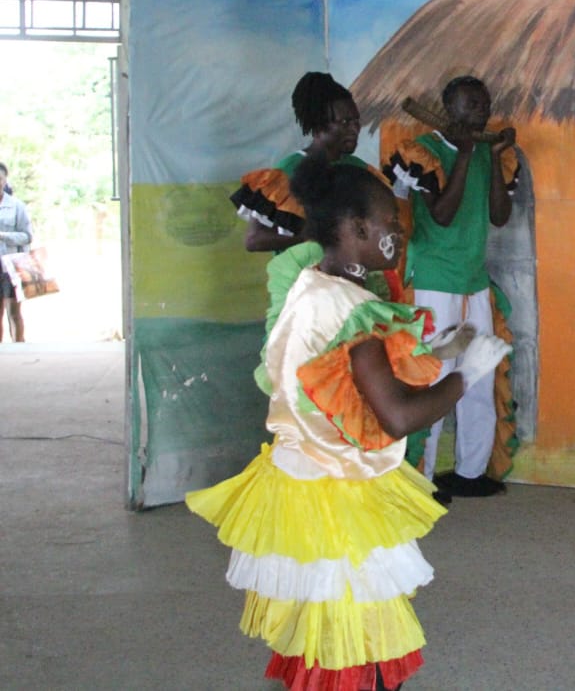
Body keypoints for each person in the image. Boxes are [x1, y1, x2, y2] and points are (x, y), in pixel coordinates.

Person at [186, 155, 512, 691]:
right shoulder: (352, 307)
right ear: (357, 228)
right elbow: (398, 415)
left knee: (326, 641)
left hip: (299, 481)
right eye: (390, 224)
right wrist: (467, 375)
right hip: (334, 497)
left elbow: (334, 374)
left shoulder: (311, 282)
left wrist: (432, 348)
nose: (400, 233)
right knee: (360, 654)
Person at [384, 75, 519, 497]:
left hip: (474, 283)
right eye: (469, 104)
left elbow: (499, 216)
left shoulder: (487, 151)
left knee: (478, 376)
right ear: (448, 109)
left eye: (484, 102)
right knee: (433, 376)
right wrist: (463, 156)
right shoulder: (423, 153)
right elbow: (441, 214)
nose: (480, 109)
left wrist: (492, 158)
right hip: (433, 284)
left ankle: (471, 472)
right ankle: (418, 480)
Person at [231, 72, 371, 254]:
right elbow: (254, 240)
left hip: (346, 278)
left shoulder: (358, 168)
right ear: (319, 124)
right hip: (303, 280)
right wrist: (318, 235)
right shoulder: (288, 171)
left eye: (356, 120)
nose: (355, 128)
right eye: (345, 122)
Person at [0, 162, 33, 343]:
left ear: (5, 181)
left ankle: (18, 349)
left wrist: (3, 236)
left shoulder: (16, 206)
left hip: (9, 267)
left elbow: (27, 236)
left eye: (0, 179)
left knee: (13, 312)